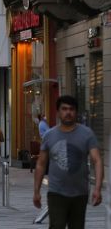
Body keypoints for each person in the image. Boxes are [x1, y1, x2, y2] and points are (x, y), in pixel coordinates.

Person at [33, 95, 104, 228]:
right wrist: (36, 191)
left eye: (71, 109)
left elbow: (97, 160)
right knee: (57, 225)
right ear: (58, 112)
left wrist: (98, 188)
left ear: (76, 112)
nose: (68, 113)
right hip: (56, 192)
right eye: (64, 109)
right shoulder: (50, 135)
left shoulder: (87, 134)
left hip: (80, 193)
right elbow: (41, 164)